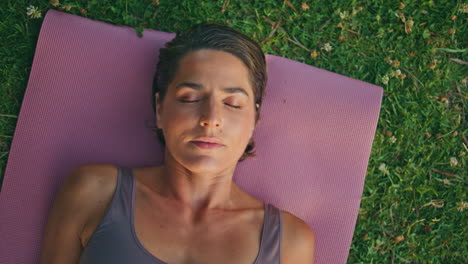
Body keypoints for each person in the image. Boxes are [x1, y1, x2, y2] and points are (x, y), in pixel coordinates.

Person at [39, 23, 315, 264]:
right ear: (160, 109)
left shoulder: (289, 242)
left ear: (254, 118)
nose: (210, 118)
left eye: (232, 103)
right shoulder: (95, 192)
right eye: (190, 99)